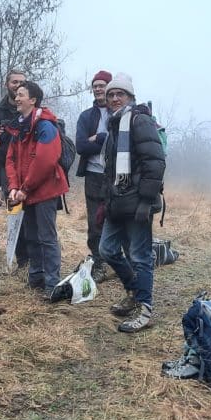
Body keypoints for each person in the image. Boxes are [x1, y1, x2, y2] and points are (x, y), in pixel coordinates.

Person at [98, 74, 166, 333]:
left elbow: (155, 162)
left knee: (140, 256)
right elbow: (110, 170)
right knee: (107, 250)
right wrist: (107, 201)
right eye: (111, 95)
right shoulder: (114, 125)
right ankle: (134, 291)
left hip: (137, 201)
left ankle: (145, 309)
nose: (114, 98)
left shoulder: (139, 120)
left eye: (120, 94)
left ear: (130, 97)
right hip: (117, 202)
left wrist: (146, 201)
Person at [5, 81, 68, 300]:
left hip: (45, 191)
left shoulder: (45, 126)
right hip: (26, 192)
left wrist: (25, 188)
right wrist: (14, 187)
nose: (17, 97)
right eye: (17, 94)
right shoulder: (19, 126)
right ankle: (36, 278)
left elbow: (45, 161)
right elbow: (10, 159)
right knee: (31, 236)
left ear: (33, 100)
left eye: (21, 94)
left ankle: (52, 284)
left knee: (46, 238)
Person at [0, 69, 28, 267]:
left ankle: (32, 257)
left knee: (30, 211)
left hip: (28, 167)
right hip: (6, 168)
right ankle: (20, 258)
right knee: (14, 211)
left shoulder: (30, 107)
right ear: (7, 84)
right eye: (14, 82)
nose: (17, 85)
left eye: (21, 82)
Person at [74, 70, 113, 282]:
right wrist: (103, 141)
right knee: (94, 221)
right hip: (93, 175)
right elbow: (81, 145)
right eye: (95, 85)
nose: (98, 89)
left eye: (102, 85)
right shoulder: (86, 116)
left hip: (116, 176)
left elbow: (117, 142)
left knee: (116, 218)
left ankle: (116, 260)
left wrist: (98, 137)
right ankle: (98, 263)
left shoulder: (120, 113)